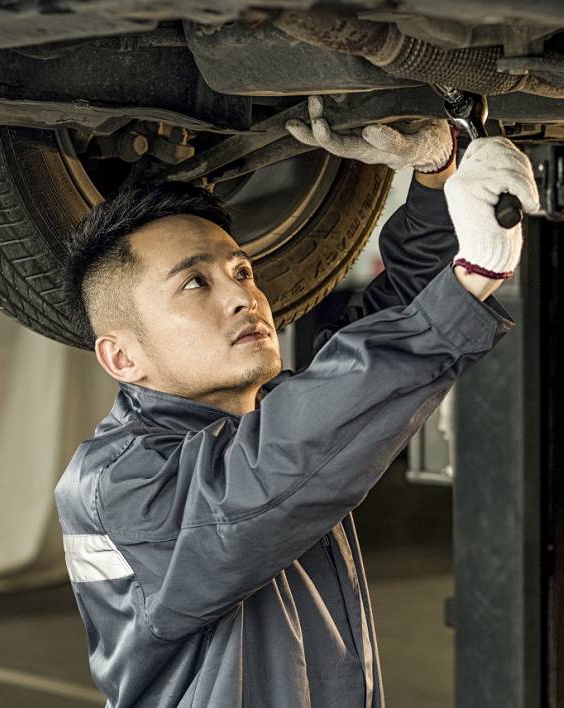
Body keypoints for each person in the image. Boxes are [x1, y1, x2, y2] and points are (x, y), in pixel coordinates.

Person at [53, 95, 539, 707]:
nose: (243, 298)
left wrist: (438, 172)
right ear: (123, 358)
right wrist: (471, 276)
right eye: (195, 283)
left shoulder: (247, 429)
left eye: (243, 272)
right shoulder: (119, 485)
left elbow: (386, 327)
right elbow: (279, 460)